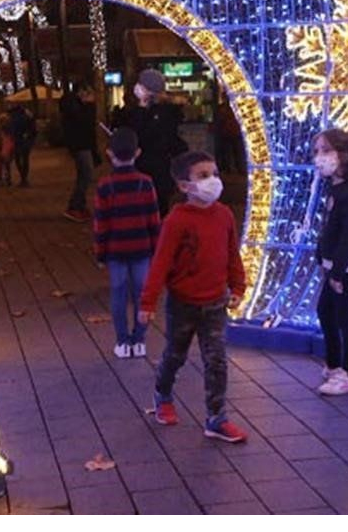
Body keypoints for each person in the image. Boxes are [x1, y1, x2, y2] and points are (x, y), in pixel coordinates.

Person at [137, 150, 248, 443]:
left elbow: (231, 253)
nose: (212, 181)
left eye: (214, 173)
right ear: (184, 185)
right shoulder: (177, 221)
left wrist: (238, 286)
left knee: (217, 360)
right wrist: (147, 303)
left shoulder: (223, 215)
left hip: (215, 302)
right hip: (183, 303)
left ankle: (216, 418)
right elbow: (161, 262)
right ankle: (163, 395)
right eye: (203, 176)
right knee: (176, 354)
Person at [312, 128, 348, 396]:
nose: (319, 157)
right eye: (317, 151)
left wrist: (336, 272)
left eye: (326, 150)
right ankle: (334, 364)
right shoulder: (334, 188)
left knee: (345, 318)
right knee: (325, 311)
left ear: (345, 156)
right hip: (334, 265)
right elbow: (330, 227)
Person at [94, 128, 161, 359]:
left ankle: (122, 341)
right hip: (142, 248)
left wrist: (100, 253)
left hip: (115, 250)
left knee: (118, 293)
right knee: (143, 293)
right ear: (138, 152)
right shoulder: (146, 183)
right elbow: (154, 220)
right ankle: (139, 340)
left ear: (109, 153)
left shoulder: (105, 185)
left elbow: (101, 224)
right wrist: (156, 249)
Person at [115, 69, 187, 216]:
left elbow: (147, 134)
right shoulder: (136, 111)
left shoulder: (164, 112)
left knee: (157, 208)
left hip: (156, 169)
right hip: (142, 166)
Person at [58, 82, 97, 222]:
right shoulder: (75, 105)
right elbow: (84, 122)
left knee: (84, 175)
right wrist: (89, 105)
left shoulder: (73, 104)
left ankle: (79, 205)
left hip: (81, 144)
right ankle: (74, 206)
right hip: (80, 144)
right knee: (86, 175)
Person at [8, 104, 37, 187]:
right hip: (25, 141)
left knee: (18, 159)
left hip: (18, 141)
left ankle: (23, 177)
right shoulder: (27, 117)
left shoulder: (14, 118)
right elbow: (33, 130)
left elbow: (11, 130)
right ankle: (24, 178)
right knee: (25, 159)